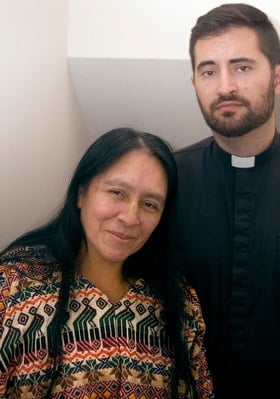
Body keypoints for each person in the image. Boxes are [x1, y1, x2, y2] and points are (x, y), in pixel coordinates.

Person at [0, 127, 213, 399]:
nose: (130, 217)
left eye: (150, 204)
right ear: (81, 193)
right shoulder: (15, 286)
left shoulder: (179, 303)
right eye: (116, 192)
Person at [172, 3, 280, 398]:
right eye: (209, 71)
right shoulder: (167, 179)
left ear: (277, 78)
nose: (225, 87)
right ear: (194, 82)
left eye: (242, 67)